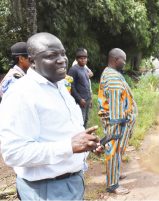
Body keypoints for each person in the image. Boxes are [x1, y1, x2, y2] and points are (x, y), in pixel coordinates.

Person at [0, 32, 102, 200]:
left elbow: (60, 134)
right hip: (46, 190)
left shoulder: (60, 86)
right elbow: (14, 153)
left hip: (73, 182)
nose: (62, 59)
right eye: (51, 55)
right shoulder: (21, 94)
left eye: (62, 53)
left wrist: (86, 147)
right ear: (32, 61)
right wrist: (69, 146)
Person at [98, 48, 138, 195]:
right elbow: (115, 105)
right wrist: (118, 127)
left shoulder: (111, 73)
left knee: (117, 150)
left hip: (117, 122)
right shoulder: (113, 77)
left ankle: (116, 173)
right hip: (116, 123)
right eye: (124, 60)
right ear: (116, 60)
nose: (125, 63)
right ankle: (113, 185)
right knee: (113, 151)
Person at [68, 48, 92, 128]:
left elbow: (87, 84)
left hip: (87, 99)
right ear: (77, 59)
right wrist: (79, 99)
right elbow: (71, 86)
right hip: (80, 101)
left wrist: (90, 98)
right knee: (80, 121)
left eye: (85, 58)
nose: (83, 60)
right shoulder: (73, 70)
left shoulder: (85, 69)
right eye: (81, 58)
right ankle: (80, 137)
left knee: (86, 120)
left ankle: (85, 136)